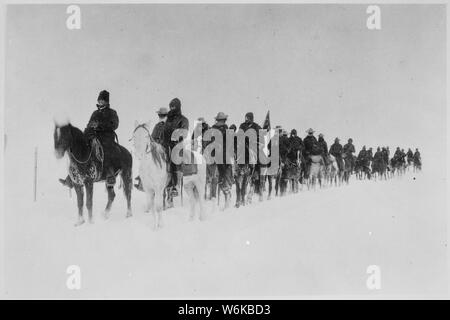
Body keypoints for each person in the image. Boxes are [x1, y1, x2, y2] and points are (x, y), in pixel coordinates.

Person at [59, 90, 120, 189]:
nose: (101, 102)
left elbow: (115, 124)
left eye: (103, 101)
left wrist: (100, 125)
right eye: (99, 100)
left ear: (107, 102)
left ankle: (110, 174)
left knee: (106, 150)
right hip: (93, 136)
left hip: (106, 136)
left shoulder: (112, 112)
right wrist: (86, 132)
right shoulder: (95, 113)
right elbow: (89, 124)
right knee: (81, 148)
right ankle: (71, 177)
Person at [134, 107, 168, 190]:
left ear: (166, 116)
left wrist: (162, 144)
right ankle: (142, 178)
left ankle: (173, 181)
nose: (161, 117)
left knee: (171, 159)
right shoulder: (157, 126)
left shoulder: (169, 125)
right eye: (160, 115)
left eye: (163, 115)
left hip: (166, 146)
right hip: (156, 146)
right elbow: (152, 137)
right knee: (146, 155)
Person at [211, 112, 233, 208]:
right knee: (223, 175)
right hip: (222, 155)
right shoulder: (225, 128)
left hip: (218, 154)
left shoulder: (214, 128)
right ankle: (226, 193)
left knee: (220, 176)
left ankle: (226, 195)